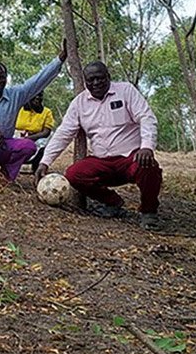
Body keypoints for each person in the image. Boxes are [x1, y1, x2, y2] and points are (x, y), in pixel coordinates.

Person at [34, 62, 162, 230]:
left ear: (108, 77)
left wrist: (147, 147)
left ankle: (149, 212)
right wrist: (45, 162)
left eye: (100, 78)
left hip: (131, 157)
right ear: (85, 82)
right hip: (102, 161)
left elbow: (146, 118)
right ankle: (113, 203)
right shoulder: (79, 103)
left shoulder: (126, 91)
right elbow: (63, 133)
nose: (96, 83)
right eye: (91, 80)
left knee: (149, 167)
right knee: (74, 174)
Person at [0, 40, 66, 182]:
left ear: (6, 79)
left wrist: (61, 58)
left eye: (1, 77)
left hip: (4, 146)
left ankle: (7, 172)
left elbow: (39, 80)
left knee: (29, 146)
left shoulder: (16, 94)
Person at [15, 92, 55, 173]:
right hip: (18, 137)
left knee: (46, 142)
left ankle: (36, 167)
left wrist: (29, 138)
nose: (37, 97)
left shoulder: (47, 112)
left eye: (40, 95)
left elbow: (46, 132)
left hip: (37, 138)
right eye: (34, 94)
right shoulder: (19, 109)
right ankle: (15, 166)